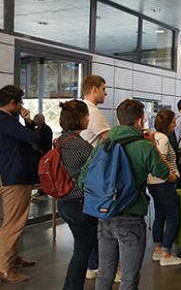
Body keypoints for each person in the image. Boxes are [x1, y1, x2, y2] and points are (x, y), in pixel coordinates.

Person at [79, 99, 172, 290]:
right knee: (129, 278)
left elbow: (83, 179)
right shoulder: (144, 146)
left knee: (105, 274)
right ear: (139, 122)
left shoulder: (103, 144)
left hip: (105, 215)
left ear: (119, 120)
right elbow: (165, 174)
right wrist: (152, 144)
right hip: (131, 217)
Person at [56, 100, 97, 290]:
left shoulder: (60, 141)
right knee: (82, 250)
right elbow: (98, 168)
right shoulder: (81, 146)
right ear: (79, 118)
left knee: (82, 247)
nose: (88, 119)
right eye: (86, 115)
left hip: (65, 201)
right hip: (79, 202)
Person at [0, 85, 39, 283]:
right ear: (13, 103)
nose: (22, 105)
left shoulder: (8, 120)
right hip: (14, 176)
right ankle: (5, 267)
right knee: (14, 222)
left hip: (10, 174)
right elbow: (33, 138)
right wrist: (29, 120)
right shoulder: (5, 120)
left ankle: (12, 258)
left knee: (13, 220)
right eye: (20, 102)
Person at [80, 74, 110, 279]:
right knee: (97, 222)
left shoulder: (80, 108)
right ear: (93, 90)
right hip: (93, 174)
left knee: (88, 221)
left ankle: (92, 264)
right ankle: (97, 264)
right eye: (103, 89)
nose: (106, 93)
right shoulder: (93, 112)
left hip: (80, 172)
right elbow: (111, 141)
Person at [148, 109, 181, 267]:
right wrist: (172, 176)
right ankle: (166, 252)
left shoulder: (155, 136)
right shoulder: (162, 138)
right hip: (164, 183)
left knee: (160, 216)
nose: (175, 124)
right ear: (167, 123)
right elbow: (159, 159)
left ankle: (158, 249)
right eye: (173, 122)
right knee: (173, 218)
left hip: (155, 184)